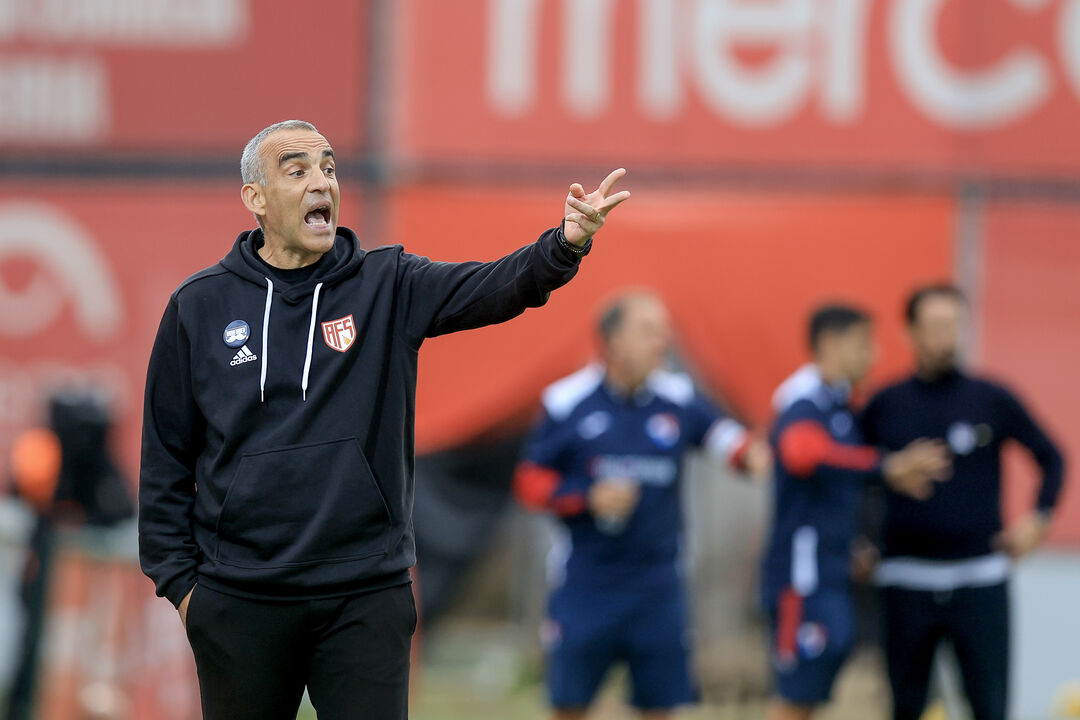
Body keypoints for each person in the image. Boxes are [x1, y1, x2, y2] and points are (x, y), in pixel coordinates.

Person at [138, 119, 630, 720]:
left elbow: (493, 287)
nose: (321, 181)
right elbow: (165, 456)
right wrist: (185, 588)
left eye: (328, 167)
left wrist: (564, 244)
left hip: (364, 596)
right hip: (240, 598)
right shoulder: (199, 305)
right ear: (255, 199)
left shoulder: (386, 282)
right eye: (296, 171)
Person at [513, 291, 772, 720]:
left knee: (660, 707)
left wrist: (752, 455)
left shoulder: (678, 398)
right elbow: (529, 483)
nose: (661, 342)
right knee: (569, 706)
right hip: (586, 583)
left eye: (664, 332)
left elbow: (728, 440)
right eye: (649, 331)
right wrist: (586, 497)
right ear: (613, 341)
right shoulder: (567, 401)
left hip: (658, 585)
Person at [860, 284, 1066, 720]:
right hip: (905, 578)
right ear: (910, 332)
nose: (945, 337)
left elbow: (1052, 457)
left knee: (989, 706)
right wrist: (860, 534)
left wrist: (1039, 518)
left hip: (980, 578)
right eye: (934, 326)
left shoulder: (991, 398)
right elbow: (850, 475)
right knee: (907, 705)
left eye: (954, 325)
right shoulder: (885, 404)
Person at [761, 304, 951, 720]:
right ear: (831, 344)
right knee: (796, 695)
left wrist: (852, 541)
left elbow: (833, 483)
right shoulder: (803, 399)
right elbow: (800, 451)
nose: (875, 355)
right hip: (801, 576)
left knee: (815, 687)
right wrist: (885, 466)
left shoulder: (841, 404)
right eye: (864, 344)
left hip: (832, 570)